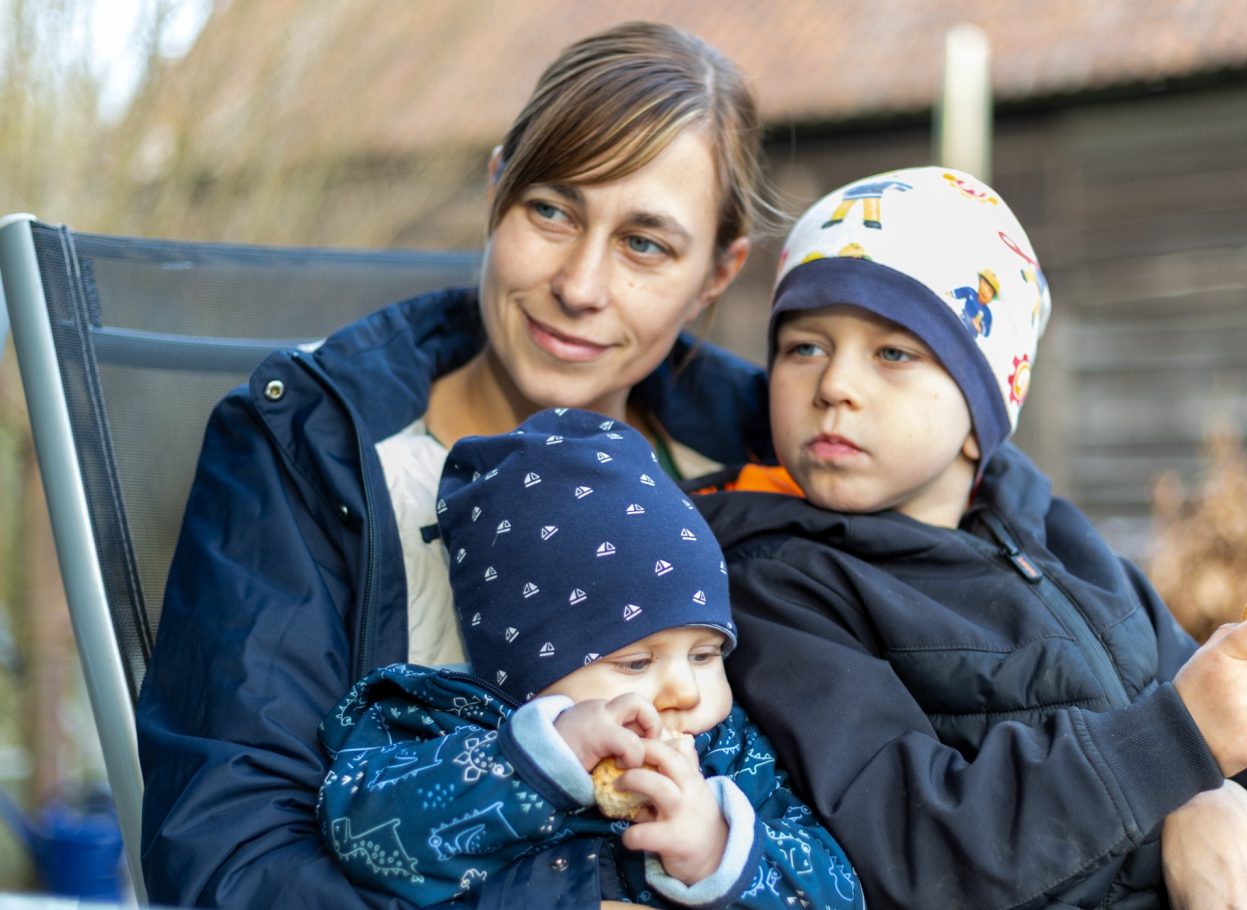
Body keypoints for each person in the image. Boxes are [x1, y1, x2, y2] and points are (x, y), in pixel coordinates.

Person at [135, 22, 778, 907]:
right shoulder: (312, 451)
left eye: (646, 245)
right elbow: (230, 863)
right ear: (496, 190)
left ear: (717, 273)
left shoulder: (765, 454)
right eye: (551, 210)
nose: (582, 285)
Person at [690, 166, 1247, 909]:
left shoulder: (1056, 537)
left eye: (893, 353)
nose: (834, 385)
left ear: (982, 415)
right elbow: (906, 841)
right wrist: (1177, 747)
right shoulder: (777, 580)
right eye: (804, 347)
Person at [317, 409, 863, 908]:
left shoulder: (735, 755)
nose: (686, 693)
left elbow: (840, 893)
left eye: (704, 654)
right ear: (528, 666)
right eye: (635, 663)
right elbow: (359, 835)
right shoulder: (436, 721)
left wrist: (718, 849)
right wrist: (534, 762)